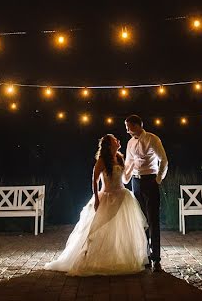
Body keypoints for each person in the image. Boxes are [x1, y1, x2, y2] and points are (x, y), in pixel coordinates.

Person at [45, 134, 148, 276]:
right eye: (114, 140)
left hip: (122, 196)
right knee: (99, 229)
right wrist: (97, 199)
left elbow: (124, 179)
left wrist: (132, 168)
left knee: (120, 229)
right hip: (106, 196)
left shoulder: (119, 157)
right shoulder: (101, 160)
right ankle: (94, 258)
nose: (118, 141)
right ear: (109, 145)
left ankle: (121, 257)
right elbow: (94, 180)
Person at [124, 114, 168, 273]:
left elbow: (163, 159)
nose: (127, 129)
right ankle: (145, 257)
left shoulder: (152, 139)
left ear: (137, 125)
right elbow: (128, 162)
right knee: (141, 220)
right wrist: (125, 178)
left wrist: (158, 179)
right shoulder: (129, 143)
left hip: (150, 181)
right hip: (135, 182)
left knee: (153, 220)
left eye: (129, 126)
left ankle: (156, 259)